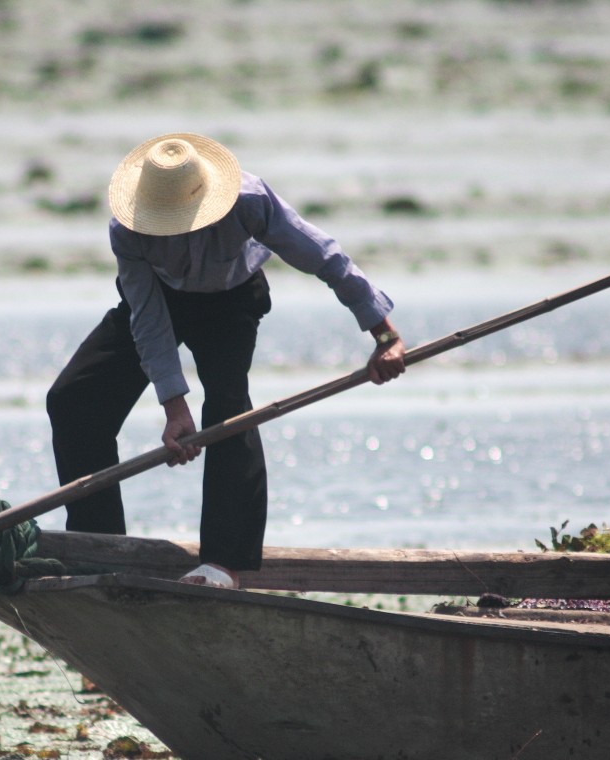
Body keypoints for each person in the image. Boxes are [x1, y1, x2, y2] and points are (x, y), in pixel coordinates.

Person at [46, 133, 406, 589]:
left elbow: (324, 257)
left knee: (228, 408)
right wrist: (174, 405)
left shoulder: (249, 200)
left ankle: (223, 564)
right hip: (160, 296)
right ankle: (97, 549)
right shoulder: (127, 230)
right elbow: (148, 317)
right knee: (73, 401)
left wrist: (384, 334)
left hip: (232, 298)